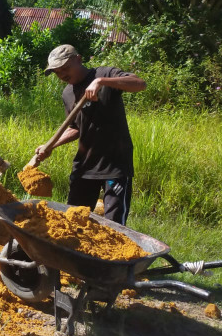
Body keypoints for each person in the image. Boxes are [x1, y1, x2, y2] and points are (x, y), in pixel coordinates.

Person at [34, 44, 146, 225]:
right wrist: (50, 145)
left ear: (78, 59)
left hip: (114, 166)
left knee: (114, 226)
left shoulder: (105, 74)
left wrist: (101, 82)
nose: (62, 74)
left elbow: (140, 84)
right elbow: (76, 128)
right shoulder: (68, 93)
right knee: (72, 221)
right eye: (57, 72)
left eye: (65, 68)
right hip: (85, 167)